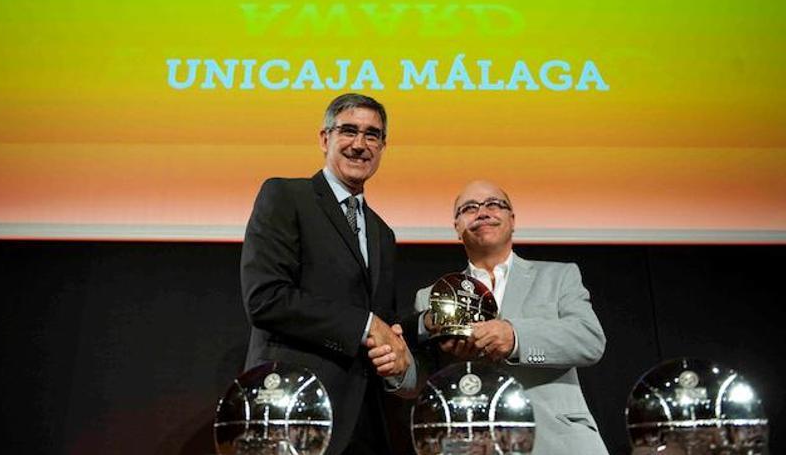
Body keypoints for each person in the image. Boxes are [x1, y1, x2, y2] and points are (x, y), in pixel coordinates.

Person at [240, 93, 415, 455]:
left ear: (383, 146)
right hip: (293, 410)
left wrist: (402, 350)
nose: (359, 144)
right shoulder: (286, 196)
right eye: (348, 130)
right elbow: (266, 299)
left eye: (372, 135)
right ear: (324, 138)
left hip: (364, 422)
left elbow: (383, 322)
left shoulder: (383, 233)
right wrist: (366, 325)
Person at [406, 180, 608, 455]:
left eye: (494, 204)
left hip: (558, 441)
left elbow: (589, 339)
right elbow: (421, 379)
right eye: (469, 208)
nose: (483, 212)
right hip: (473, 444)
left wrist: (515, 338)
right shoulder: (432, 297)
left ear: (512, 220)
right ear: (456, 227)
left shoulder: (558, 276)